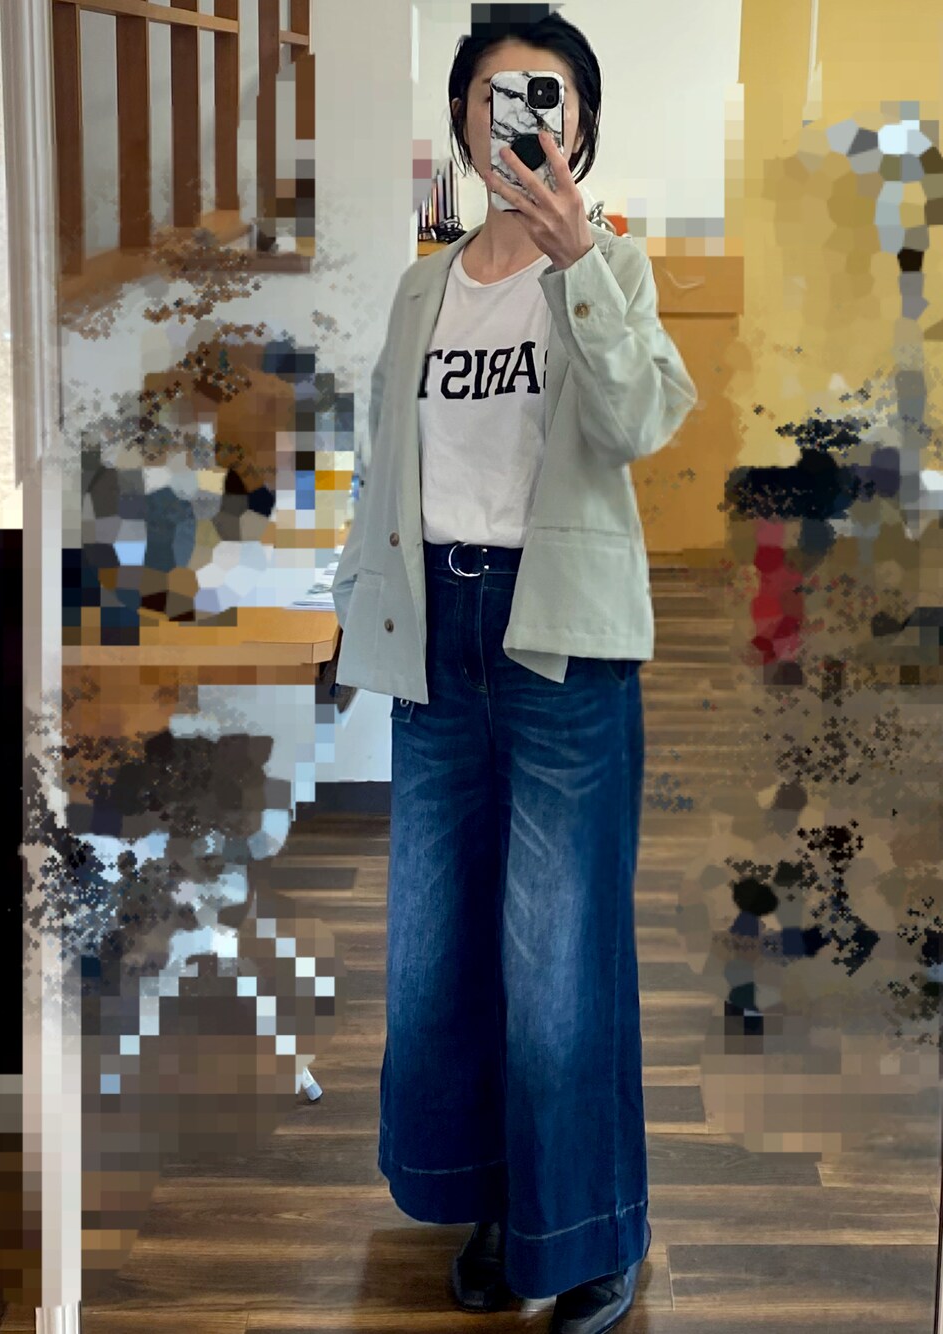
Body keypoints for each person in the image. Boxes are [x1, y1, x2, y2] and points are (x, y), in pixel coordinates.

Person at [331, 10, 698, 1333]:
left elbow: (642, 418)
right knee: (444, 949)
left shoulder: (612, 267)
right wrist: (356, 617)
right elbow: (385, 463)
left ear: (579, 126)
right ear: (464, 123)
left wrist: (577, 259)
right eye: (496, 97)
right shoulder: (421, 287)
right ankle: (500, 1197)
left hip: (560, 642)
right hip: (436, 638)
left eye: (547, 97)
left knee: (560, 955)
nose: (521, 119)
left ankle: (590, 1230)